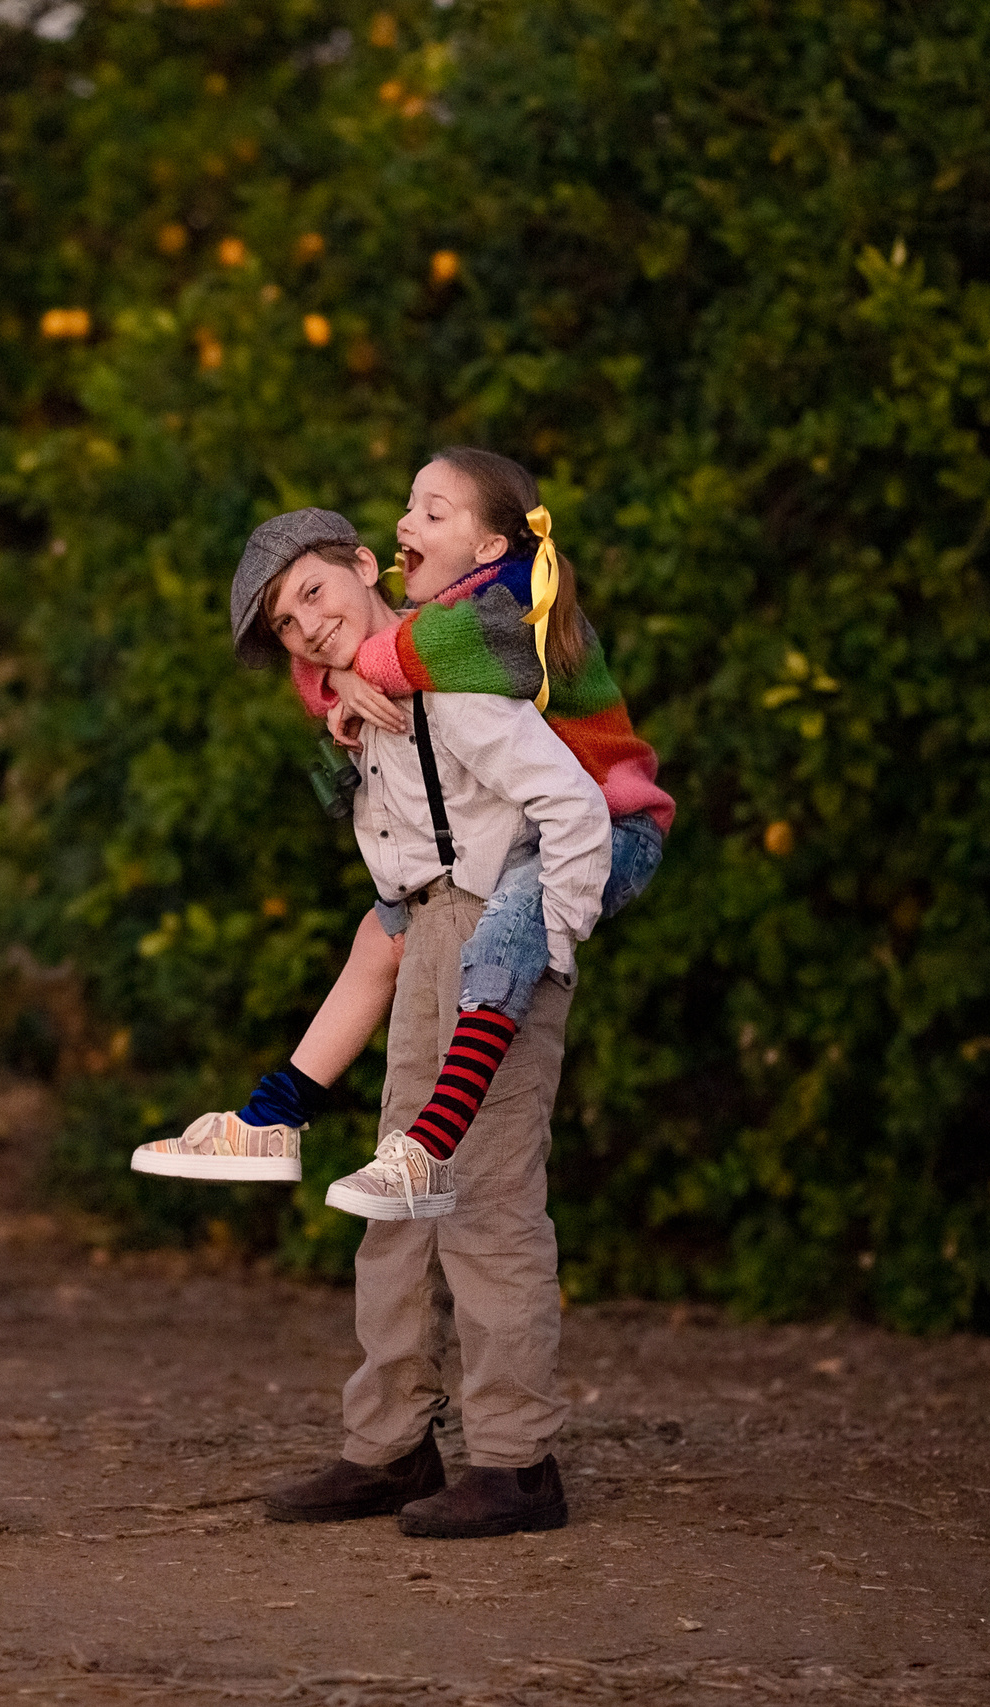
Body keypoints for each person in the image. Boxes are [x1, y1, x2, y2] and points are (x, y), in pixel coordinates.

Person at [198, 506, 612, 1537]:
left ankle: (516, 1463)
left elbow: (567, 805)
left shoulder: (457, 666)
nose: (307, 625)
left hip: (494, 938)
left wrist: (549, 938)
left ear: (356, 563)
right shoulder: (356, 687)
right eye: (288, 625)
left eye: (312, 592)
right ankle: (388, 1444)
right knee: (398, 1200)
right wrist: (336, 681)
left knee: (487, 1202)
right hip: (421, 932)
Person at [132, 451, 672, 1219]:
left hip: (609, 821)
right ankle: (273, 1115)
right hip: (538, 832)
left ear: (489, 544)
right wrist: (337, 679)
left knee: (512, 932)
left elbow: (423, 650)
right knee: (376, 937)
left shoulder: (505, 604)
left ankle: (430, 1144)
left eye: (431, 512)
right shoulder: (442, 615)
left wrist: (352, 674)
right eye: (286, 621)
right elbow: (356, 649)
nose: (404, 523)